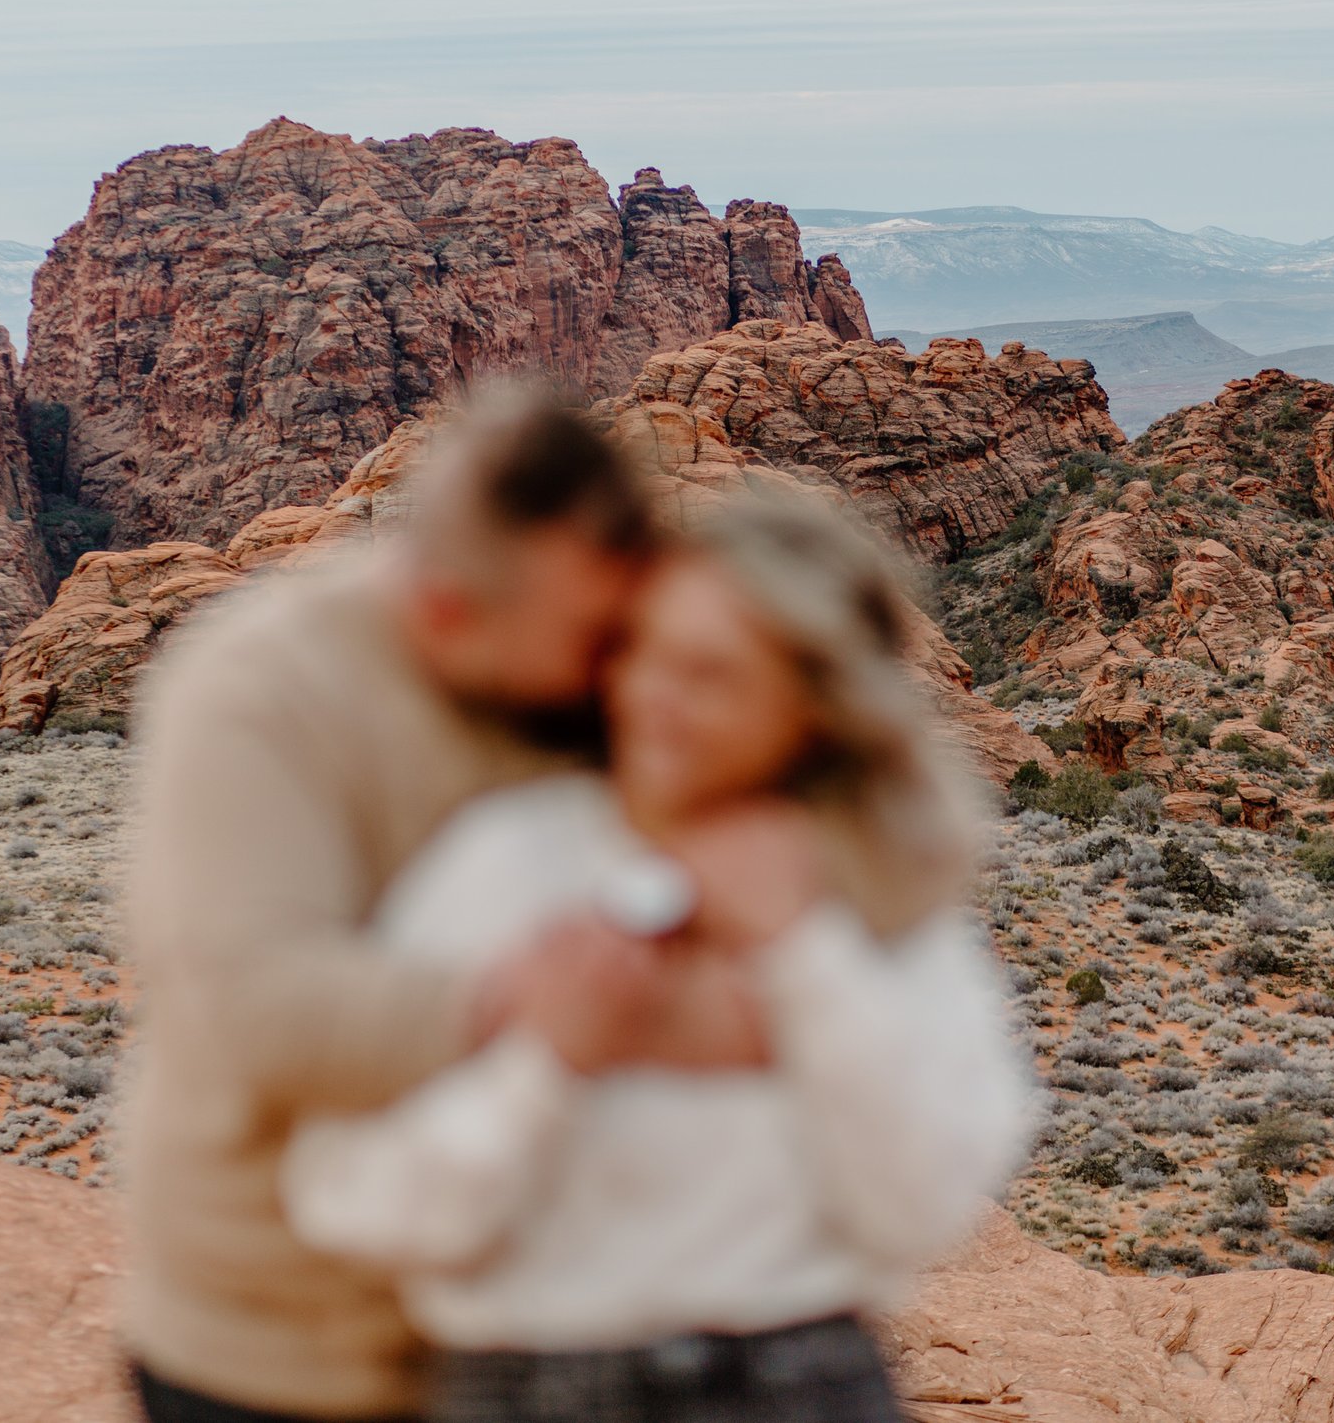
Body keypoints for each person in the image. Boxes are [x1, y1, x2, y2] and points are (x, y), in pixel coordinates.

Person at [279, 493, 1035, 1423]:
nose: (646, 696)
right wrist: (549, 1062)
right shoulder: (507, 860)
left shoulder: (876, 881)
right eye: (637, 651)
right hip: (525, 1385)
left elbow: (917, 1208)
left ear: (813, 707)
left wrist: (802, 959)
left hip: (802, 1381)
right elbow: (359, 1202)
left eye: (707, 673)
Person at [122, 391, 759, 1423]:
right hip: (288, 1344)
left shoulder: (590, 682)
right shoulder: (260, 690)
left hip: (543, 1333)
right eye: (587, 636)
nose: (618, 672)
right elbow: (253, 1008)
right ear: (444, 607)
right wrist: (525, 999)